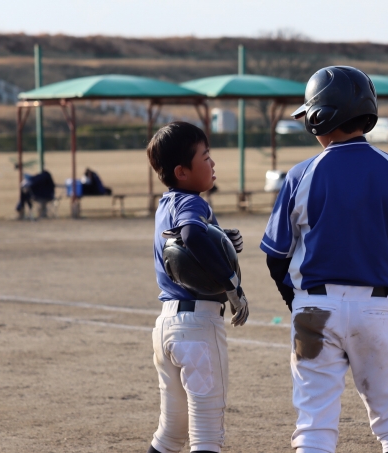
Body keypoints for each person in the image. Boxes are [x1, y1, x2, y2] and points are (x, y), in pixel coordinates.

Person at [260, 66, 388, 453]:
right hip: (375, 310)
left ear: (320, 117)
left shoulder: (302, 174)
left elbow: (275, 258)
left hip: (314, 310)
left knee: (314, 426)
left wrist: (298, 304)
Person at [146, 121, 250, 453]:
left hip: (167, 325)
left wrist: (220, 236)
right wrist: (233, 286)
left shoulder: (166, 204)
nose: (212, 162)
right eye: (205, 157)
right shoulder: (194, 203)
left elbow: (187, 240)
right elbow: (190, 235)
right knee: (206, 436)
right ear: (182, 172)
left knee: (170, 434)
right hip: (198, 329)